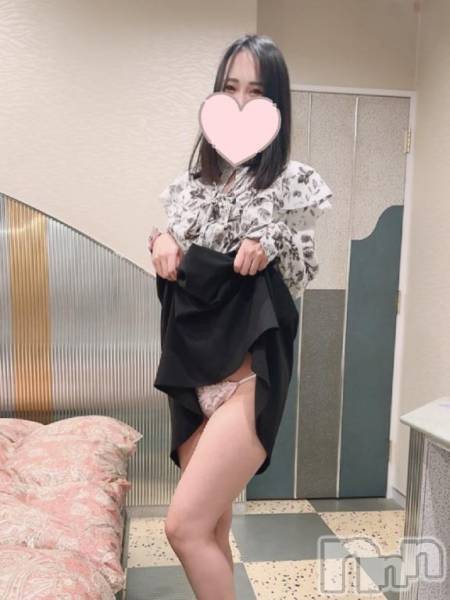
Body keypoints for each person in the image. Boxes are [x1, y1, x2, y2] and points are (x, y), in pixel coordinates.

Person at [149, 34, 333, 600]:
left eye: (256, 91)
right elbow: (179, 248)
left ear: (276, 104)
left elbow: (301, 273)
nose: (240, 102)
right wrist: (160, 240)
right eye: (230, 88)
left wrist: (268, 238)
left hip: (248, 382)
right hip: (193, 372)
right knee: (211, 527)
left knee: (182, 527)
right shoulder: (191, 188)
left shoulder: (289, 182)